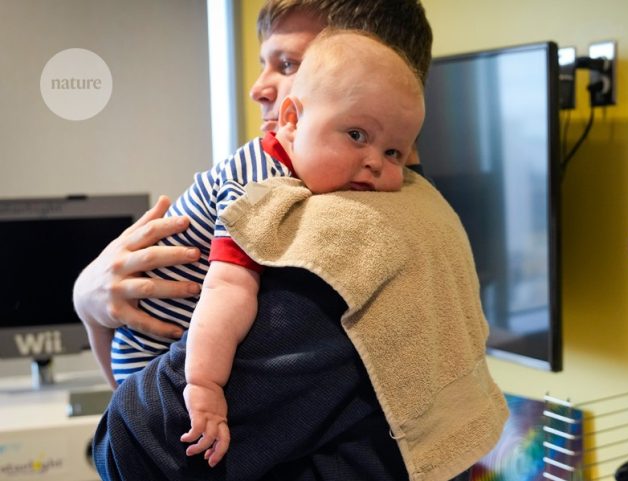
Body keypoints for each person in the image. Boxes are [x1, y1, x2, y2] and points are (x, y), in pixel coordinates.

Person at [79, 1, 507, 480]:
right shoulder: (421, 206)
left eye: (289, 65)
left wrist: (98, 323)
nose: (258, 88)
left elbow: (130, 449)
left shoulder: (341, 242)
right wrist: (90, 303)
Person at [179, 28, 425, 468]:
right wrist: (204, 386)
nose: (374, 162)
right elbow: (227, 287)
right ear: (291, 121)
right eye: (356, 134)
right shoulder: (260, 186)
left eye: (393, 153)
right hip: (156, 343)